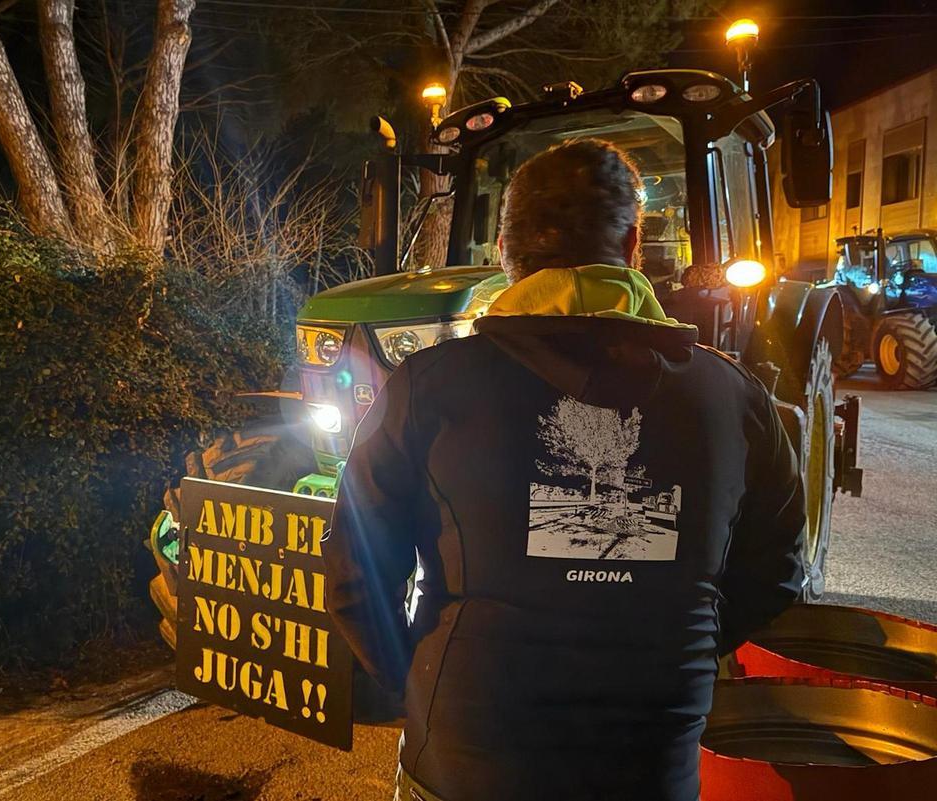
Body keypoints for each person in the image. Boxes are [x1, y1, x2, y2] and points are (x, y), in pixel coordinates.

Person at [323, 140, 806, 801]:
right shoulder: (734, 398)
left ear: (503, 254)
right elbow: (778, 574)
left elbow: (356, 576)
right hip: (650, 770)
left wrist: (420, 675)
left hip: (467, 764)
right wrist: (679, 640)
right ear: (634, 244)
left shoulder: (429, 387)